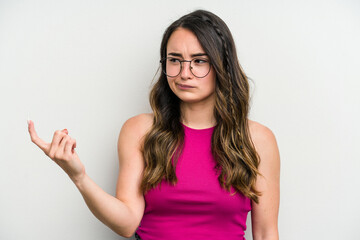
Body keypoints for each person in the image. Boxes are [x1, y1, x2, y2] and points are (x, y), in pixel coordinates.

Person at [28, 9, 280, 240]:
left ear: (222, 65)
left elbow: (267, 232)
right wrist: (78, 176)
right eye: (174, 60)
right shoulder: (140, 130)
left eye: (199, 61)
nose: (184, 72)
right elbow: (126, 224)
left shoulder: (257, 139)